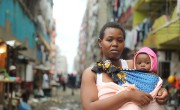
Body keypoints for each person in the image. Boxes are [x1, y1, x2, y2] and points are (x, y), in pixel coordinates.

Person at [80, 22, 168, 110]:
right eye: (109, 40)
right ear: (100, 42)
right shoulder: (92, 73)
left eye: (120, 40)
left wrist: (161, 92)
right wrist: (127, 96)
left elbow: (151, 82)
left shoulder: (133, 65)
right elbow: (89, 107)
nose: (115, 44)